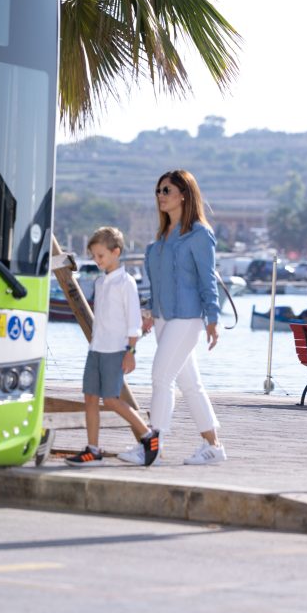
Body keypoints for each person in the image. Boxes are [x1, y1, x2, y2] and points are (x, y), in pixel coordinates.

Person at [119, 169, 227, 466]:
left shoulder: (200, 235)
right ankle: (214, 446)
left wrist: (213, 319)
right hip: (164, 320)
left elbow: (207, 280)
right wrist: (149, 312)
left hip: (188, 318)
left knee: (160, 376)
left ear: (184, 194)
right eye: (158, 191)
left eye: (166, 190)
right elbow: (157, 284)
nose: (160, 196)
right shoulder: (158, 242)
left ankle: (151, 446)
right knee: (190, 384)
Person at [65, 226, 159, 467]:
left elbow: (133, 322)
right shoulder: (100, 282)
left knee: (111, 399)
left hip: (116, 350)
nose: (96, 261)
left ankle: (148, 436)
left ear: (115, 252)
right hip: (96, 349)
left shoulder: (126, 283)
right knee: (90, 398)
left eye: (101, 256)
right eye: (94, 256)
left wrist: (130, 352)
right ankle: (93, 450)